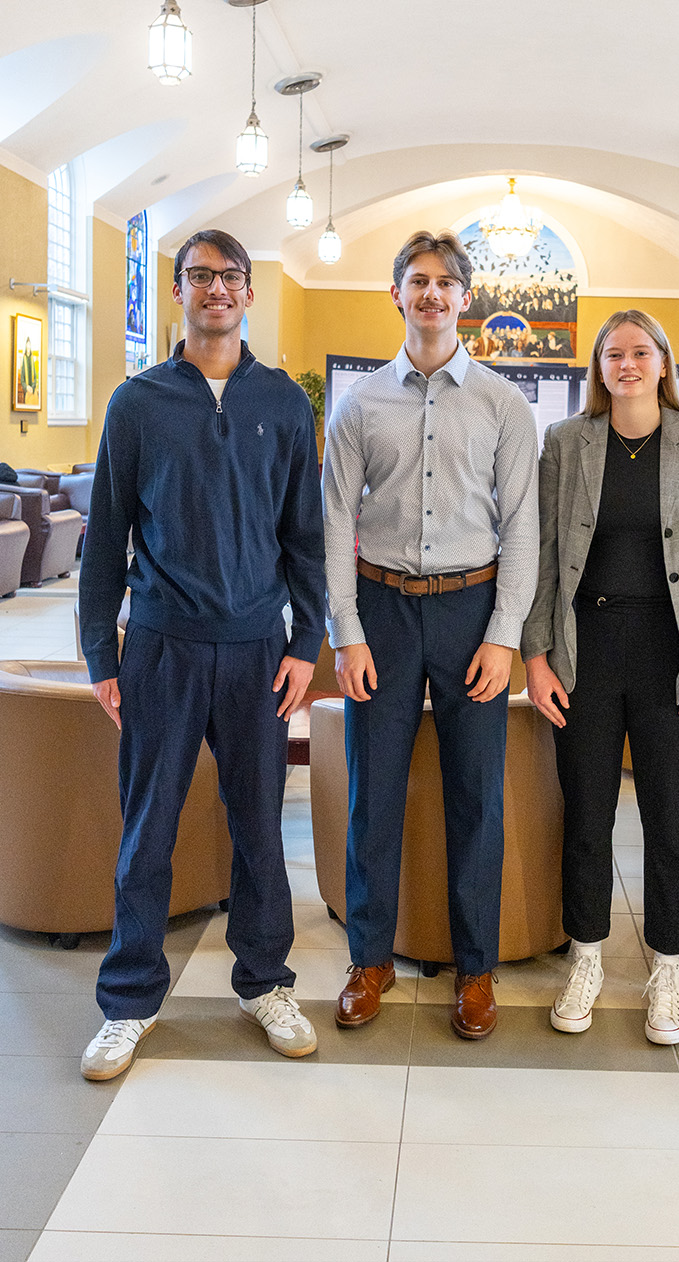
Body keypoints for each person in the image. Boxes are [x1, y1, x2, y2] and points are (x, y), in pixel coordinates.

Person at [78, 229, 326, 1081]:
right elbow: (106, 539)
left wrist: (307, 643)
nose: (216, 289)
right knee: (147, 832)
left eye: (230, 277)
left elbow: (306, 541)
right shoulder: (137, 404)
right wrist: (97, 654)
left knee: (260, 830)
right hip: (160, 650)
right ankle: (129, 1000)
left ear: (250, 293)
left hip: (257, 650)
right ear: (180, 290)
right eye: (199, 276)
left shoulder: (286, 405)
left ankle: (265, 982)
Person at [324, 230, 539, 1039]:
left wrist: (504, 634)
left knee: (476, 797)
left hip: (470, 614)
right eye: (418, 281)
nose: (432, 295)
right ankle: (369, 958)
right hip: (380, 610)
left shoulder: (501, 404)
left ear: (466, 297)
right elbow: (335, 518)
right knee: (372, 790)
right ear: (397, 295)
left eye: (447, 282)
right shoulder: (359, 406)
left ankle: (475, 969)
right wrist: (347, 631)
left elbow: (522, 526)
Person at [521, 310, 679, 1043]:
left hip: (670, 657)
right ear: (597, 366)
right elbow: (544, 554)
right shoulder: (565, 442)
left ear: (662, 362)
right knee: (585, 815)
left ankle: (667, 968)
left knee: (669, 819)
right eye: (613, 353)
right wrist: (535, 654)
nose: (626, 364)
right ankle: (585, 957)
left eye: (639, 352)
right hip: (584, 651)